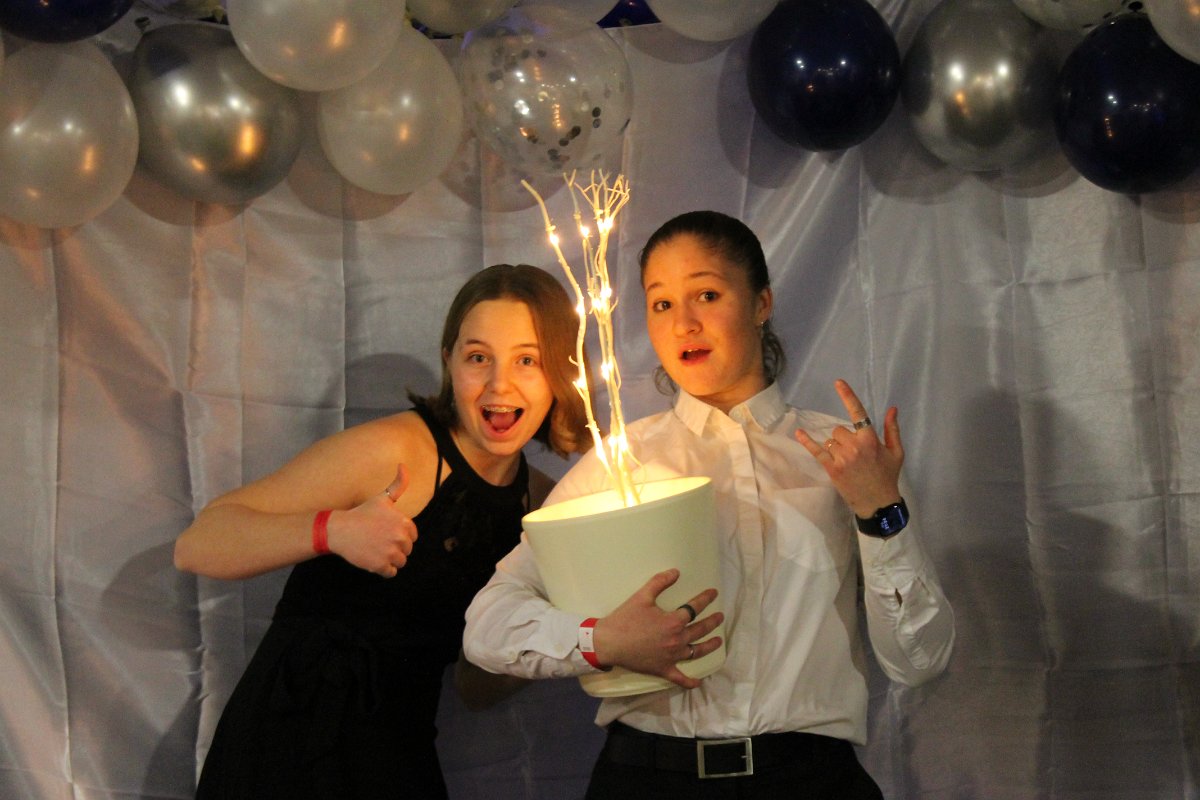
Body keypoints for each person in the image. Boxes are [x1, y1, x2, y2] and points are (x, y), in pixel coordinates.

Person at [463, 211, 955, 798]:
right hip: (647, 782)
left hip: (810, 780)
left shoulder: (844, 458)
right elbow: (487, 626)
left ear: (761, 303)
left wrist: (881, 512)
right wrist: (601, 641)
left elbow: (918, 659)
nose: (684, 324)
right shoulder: (620, 463)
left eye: (707, 295)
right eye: (662, 304)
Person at [174, 264, 591, 800]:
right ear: (449, 362)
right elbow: (199, 544)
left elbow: (475, 687)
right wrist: (333, 531)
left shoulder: (541, 503)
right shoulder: (395, 452)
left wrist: (566, 630)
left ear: (560, 372)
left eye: (527, 360)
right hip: (288, 748)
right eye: (478, 357)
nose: (498, 384)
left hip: (397, 755)